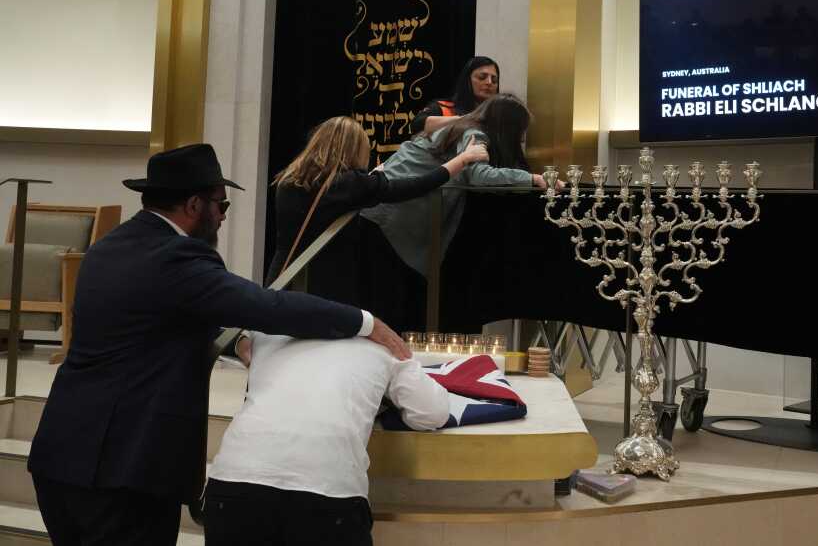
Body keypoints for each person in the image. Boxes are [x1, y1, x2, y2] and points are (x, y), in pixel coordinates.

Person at [27, 143, 411, 546]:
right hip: (122, 472)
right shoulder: (178, 256)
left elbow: (153, 318)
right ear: (194, 205)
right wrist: (365, 322)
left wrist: (236, 341)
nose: (224, 216)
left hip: (60, 456)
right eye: (221, 205)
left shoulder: (110, 246)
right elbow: (266, 305)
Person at [203, 330, 448, 546]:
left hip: (234, 482)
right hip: (327, 492)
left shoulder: (268, 331)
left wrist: (243, 338)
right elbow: (432, 413)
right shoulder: (383, 343)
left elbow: (229, 331)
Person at [362, 94, 548, 330]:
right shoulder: (475, 135)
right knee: (387, 310)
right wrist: (532, 179)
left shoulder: (458, 128)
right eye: (520, 130)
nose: (521, 138)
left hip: (378, 212)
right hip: (391, 217)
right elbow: (480, 175)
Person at [264, 115, 488, 306]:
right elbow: (417, 186)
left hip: (283, 276)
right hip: (324, 286)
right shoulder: (350, 184)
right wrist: (462, 159)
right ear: (353, 149)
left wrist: (369, 180)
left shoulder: (289, 179)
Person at [408, 55, 500, 134]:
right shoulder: (444, 108)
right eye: (482, 77)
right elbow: (417, 125)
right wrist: (466, 119)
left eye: (494, 80)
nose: (489, 82)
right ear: (467, 81)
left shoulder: (499, 116)